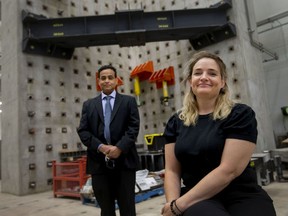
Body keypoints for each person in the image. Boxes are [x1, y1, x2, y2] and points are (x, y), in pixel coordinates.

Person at [161, 51, 276, 216]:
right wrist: (172, 205)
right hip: (197, 197)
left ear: (222, 82)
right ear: (190, 81)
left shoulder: (240, 114)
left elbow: (229, 170)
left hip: (241, 194)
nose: (204, 77)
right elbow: (172, 171)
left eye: (212, 73)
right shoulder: (176, 122)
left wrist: (179, 205)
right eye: (198, 73)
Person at [77, 65, 140, 216]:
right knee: (106, 209)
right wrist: (101, 147)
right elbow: (83, 131)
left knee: (128, 208)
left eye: (110, 77)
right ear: (98, 81)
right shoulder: (89, 105)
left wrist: (119, 148)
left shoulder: (128, 102)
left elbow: (133, 128)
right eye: (103, 78)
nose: (107, 81)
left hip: (124, 162)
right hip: (99, 164)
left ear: (116, 80)